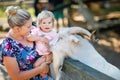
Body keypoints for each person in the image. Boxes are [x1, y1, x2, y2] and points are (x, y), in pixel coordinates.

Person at [0, 6, 52, 80]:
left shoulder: (32, 31)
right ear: (17, 29)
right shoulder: (8, 46)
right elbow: (16, 76)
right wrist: (40, 69)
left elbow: (50, 38)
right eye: (28, 26)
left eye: (32, 24)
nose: (32, 27)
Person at [27, 10, 57, 78]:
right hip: (39, 55)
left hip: (48, 54)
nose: (47, 25)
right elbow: (29, 38)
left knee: (42, 66)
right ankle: (45, 77)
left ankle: (45, 76)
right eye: (44, 23)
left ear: (52, 23)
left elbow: (57, 45)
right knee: (35, 66)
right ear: (39, 24)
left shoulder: (54, 34)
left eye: (49, 22)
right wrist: (40, 38)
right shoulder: (37, 31)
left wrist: (49, 48)